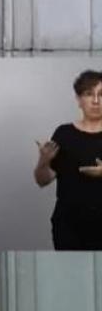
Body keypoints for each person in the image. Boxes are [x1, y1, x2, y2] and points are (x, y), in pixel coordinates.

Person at [34, 69, 102, 250]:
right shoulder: (64, 134)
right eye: (89, 94)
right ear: (79, 100)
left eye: (101, 94)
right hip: (69, 228)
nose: (96, 100)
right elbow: (42, 181)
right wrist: (43, 160)